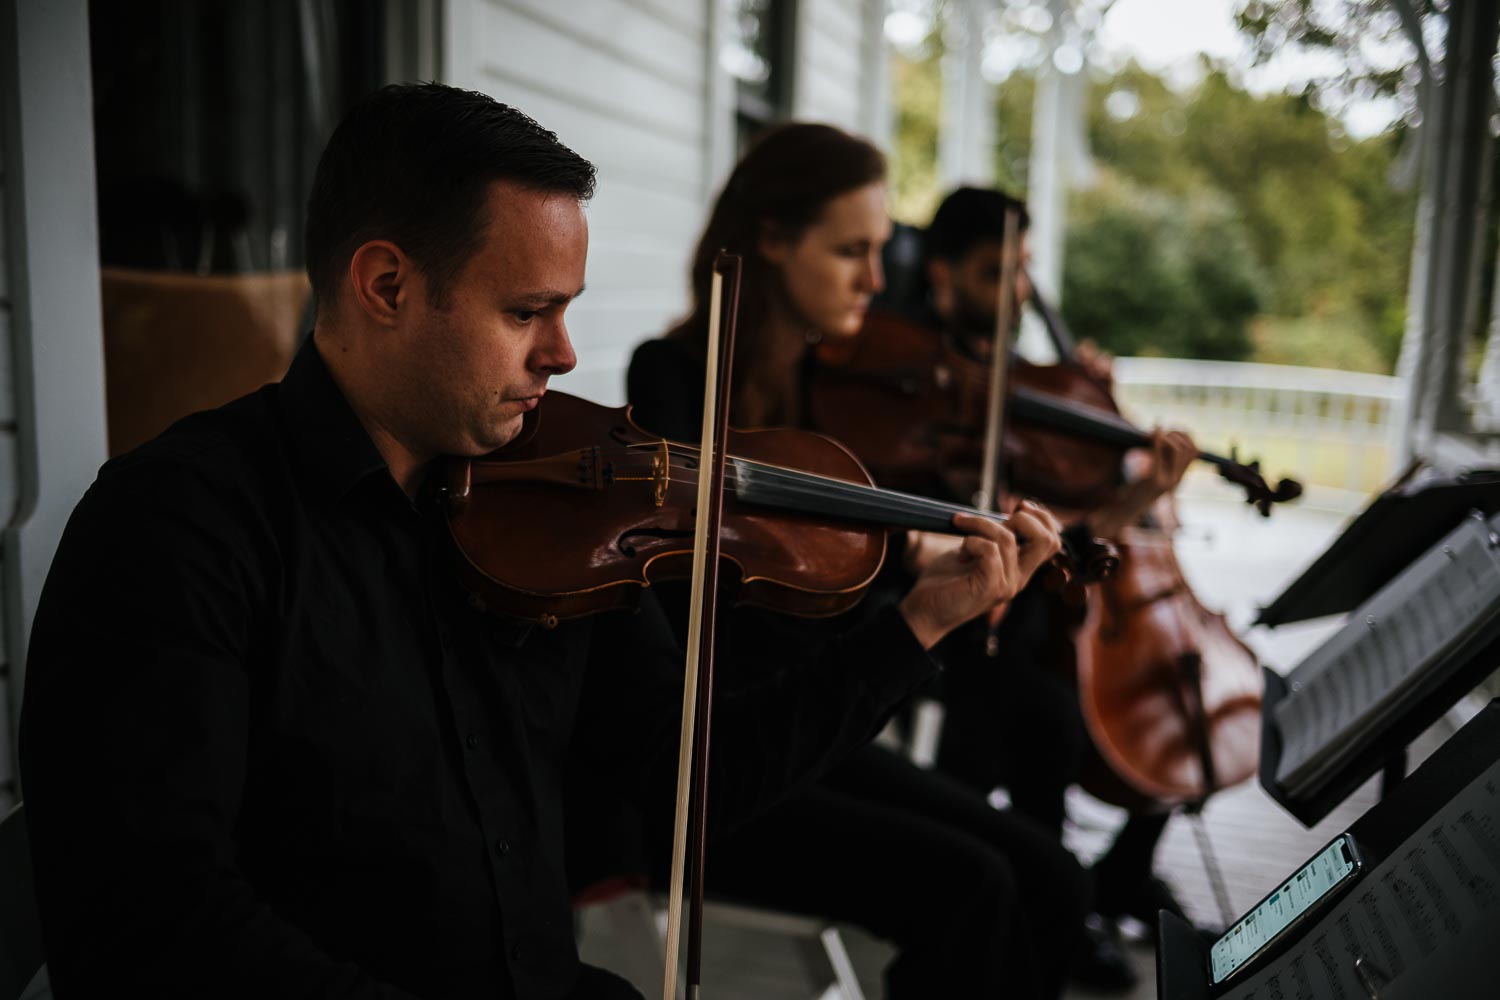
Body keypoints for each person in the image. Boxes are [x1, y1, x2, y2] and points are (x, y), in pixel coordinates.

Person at [18, 86, 1056, 1000]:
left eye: (566, 312)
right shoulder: (175, 532)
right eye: (527, 311)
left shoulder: (559, 512)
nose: (561, 355)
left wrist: (921, 620)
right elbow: (153, 934)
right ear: (386, 285)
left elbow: (699, 776)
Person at [622, 123, 1090, 999]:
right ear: (770, 240)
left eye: (880, 252)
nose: (879, 282)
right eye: (852, 252)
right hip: (721, 762)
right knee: (975, 889)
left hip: (816, 723)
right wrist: (901, 565)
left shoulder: (827, 387)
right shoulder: (674, 384)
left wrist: (913, 550)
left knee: (1055, 879)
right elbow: (722, 602)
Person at [911, 186, 1203, 980]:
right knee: (1044, 716)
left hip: (1033, 605)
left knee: (1160, 693)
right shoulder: (914, 377)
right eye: (992, 272)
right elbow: (1035, 539)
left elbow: (1066, 528)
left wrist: (1090, 400)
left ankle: (1088, 887)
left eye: (1023, 272)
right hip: (961, 616)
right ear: (940, 276)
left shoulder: (1034, 383)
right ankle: (1051, 905)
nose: (1015, 293)